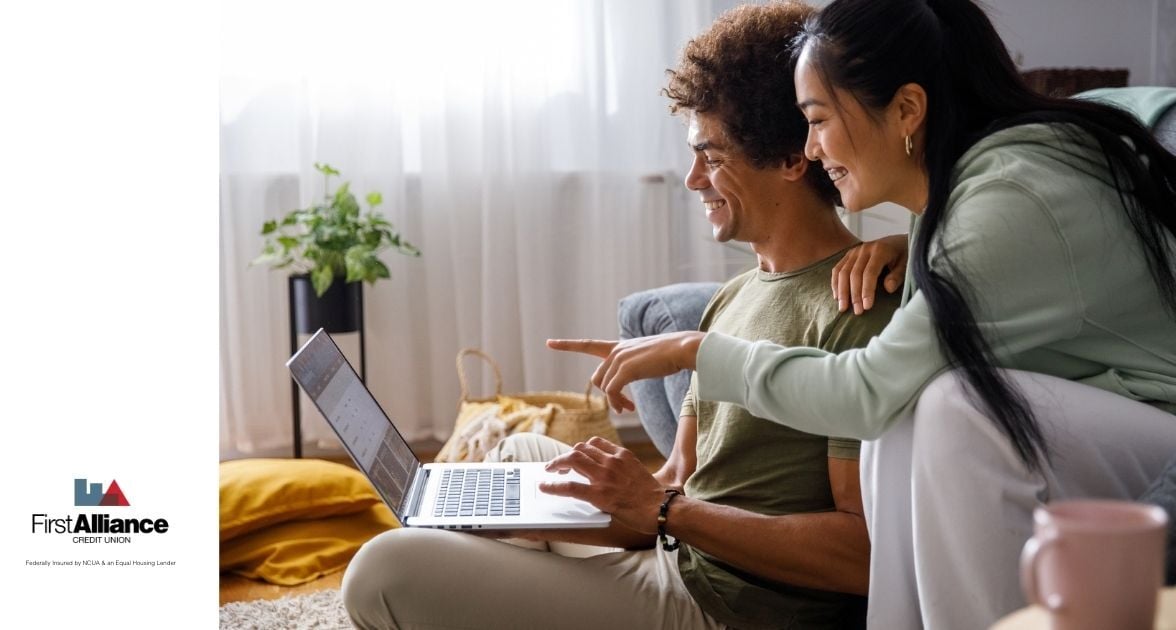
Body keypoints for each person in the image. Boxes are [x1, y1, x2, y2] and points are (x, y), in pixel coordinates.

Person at [550, 1, 1176, 628]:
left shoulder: (1009, 195)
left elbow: (868, 389)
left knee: (952, 408)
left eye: (817, 120)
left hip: (1159, 438)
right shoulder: (972, 189)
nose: (810, 147)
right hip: (1106, 419)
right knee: (907, 418)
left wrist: (696, 352)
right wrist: (921, 252)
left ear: (906, 109)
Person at [342, 3, 898, 628]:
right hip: (674, 551)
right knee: (523, 451)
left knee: (381, 571)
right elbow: (680, 478)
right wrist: (625, 497)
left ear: (793, 160)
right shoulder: (736, 294)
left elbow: (863, 555)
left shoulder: (858, 301)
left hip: (720, 605)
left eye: (712, 157)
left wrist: (662, 511)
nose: (692, 180)